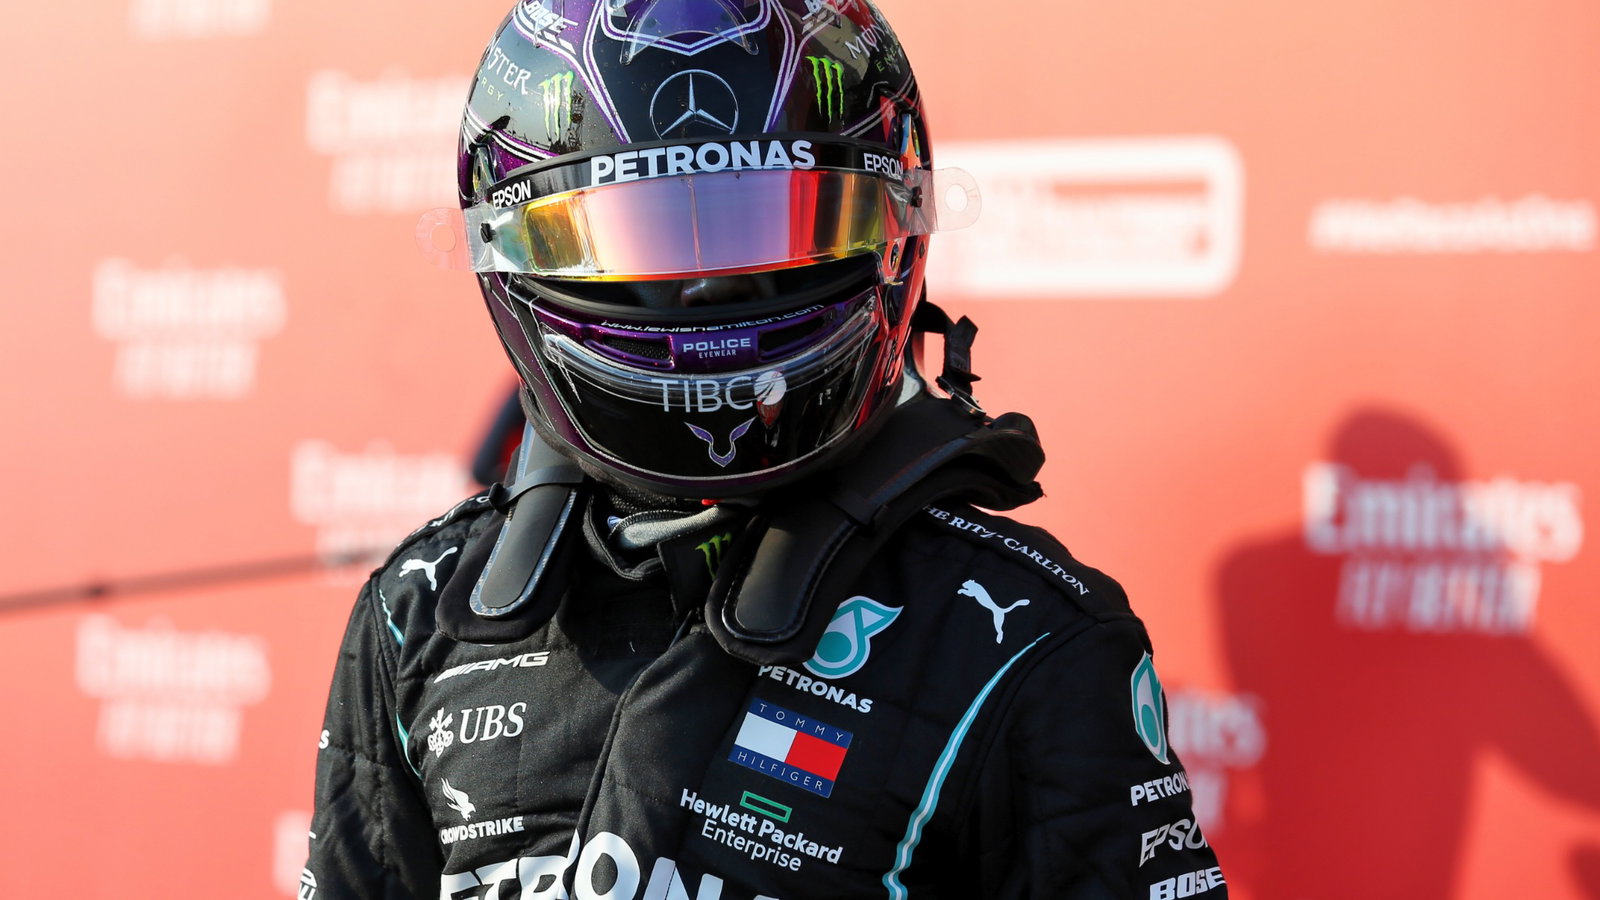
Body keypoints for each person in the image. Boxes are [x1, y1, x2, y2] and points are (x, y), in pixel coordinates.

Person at [304, 1, 1226, 897]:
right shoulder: (421, 613)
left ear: (885, 232)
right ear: (527, 250)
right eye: (646, 234)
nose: (711, 288)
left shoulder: (1021, 639)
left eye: (772, 223)